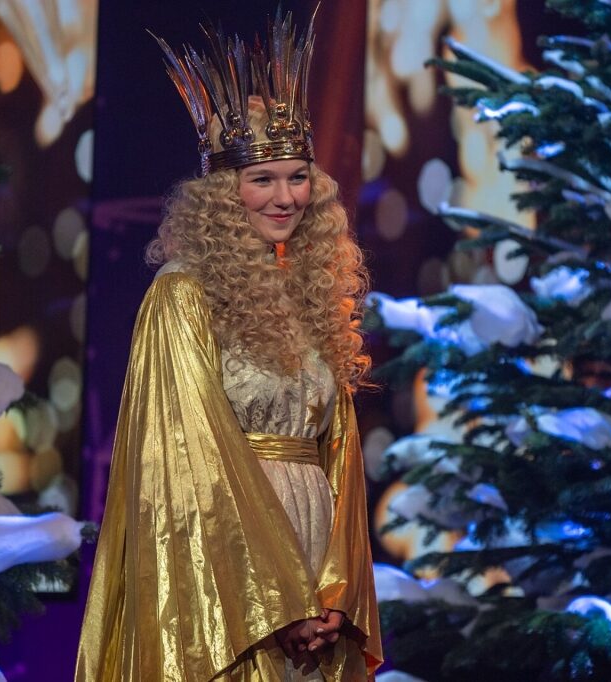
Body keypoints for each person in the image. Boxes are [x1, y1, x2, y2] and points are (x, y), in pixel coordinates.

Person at [76, 10, 382, 682]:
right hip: (225, 556)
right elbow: (191, 461)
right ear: (223, 193)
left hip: (313, 550)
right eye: (262, 179)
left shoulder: (313, 295)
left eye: (297, 176)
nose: (285, 197)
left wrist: (335, 593)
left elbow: (340, 452)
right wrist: (277, 602)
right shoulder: (184, 294)